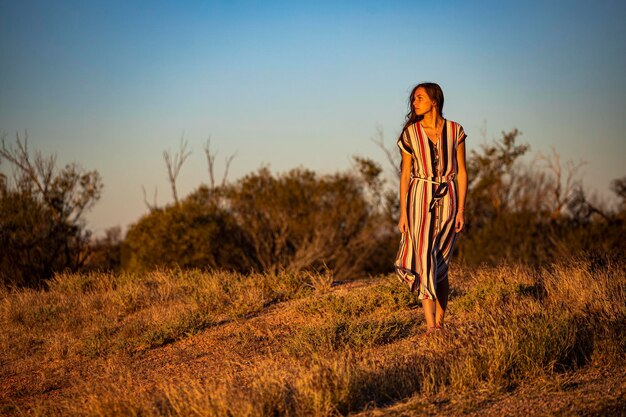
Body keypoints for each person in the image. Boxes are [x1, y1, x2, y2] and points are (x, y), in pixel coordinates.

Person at [395, 82, 467, 332]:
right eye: (413, 99)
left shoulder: (455, 131)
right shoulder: (410, 134)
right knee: (424, 259)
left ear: (434, 101)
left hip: (448, 197)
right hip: (419, 197)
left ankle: (440, 322)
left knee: (442, 264)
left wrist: (461, 210)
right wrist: (403, 212)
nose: (414, 103)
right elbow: (405, 175)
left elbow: (462, 173)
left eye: (419, 98)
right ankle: (430, 327)